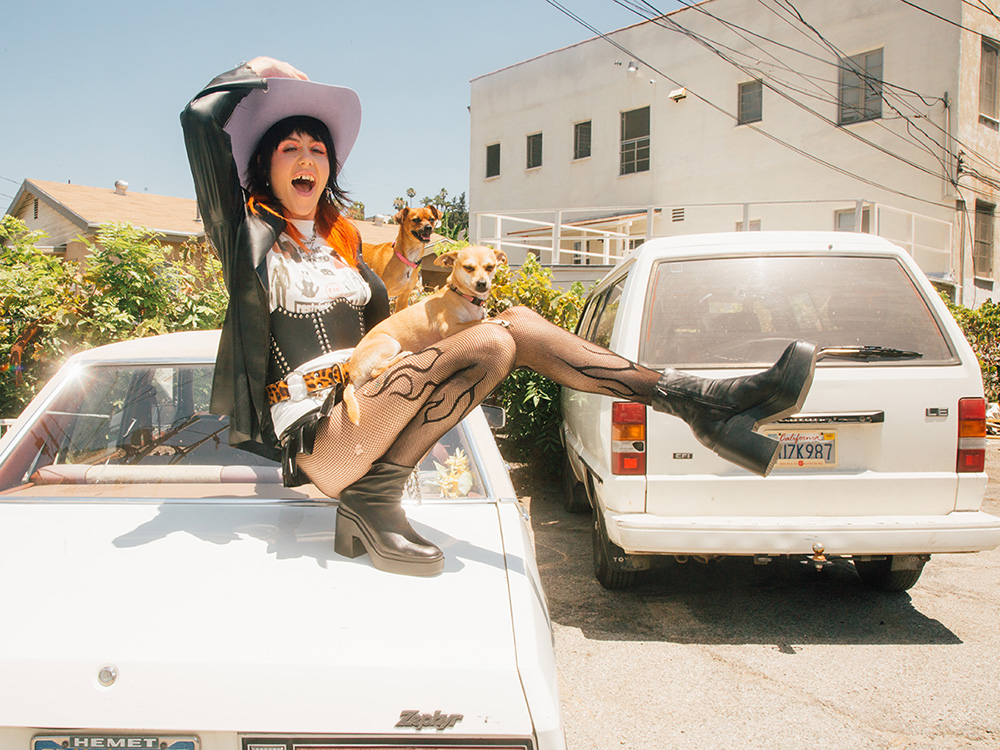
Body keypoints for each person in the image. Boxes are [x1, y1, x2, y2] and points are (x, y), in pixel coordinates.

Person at [181, 56, 817, 577]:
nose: (306, 158)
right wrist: (258, 71)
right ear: (263, 165)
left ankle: (696, 399)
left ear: (329, 169)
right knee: (490, 343)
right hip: (321, 440)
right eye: (288, 147)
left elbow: (396, 322)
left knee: (510, 321)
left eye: (317, 148)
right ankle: (374, 500)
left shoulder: (346, 247)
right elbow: (199, 123)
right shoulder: (247, 240)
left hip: (374, 400)